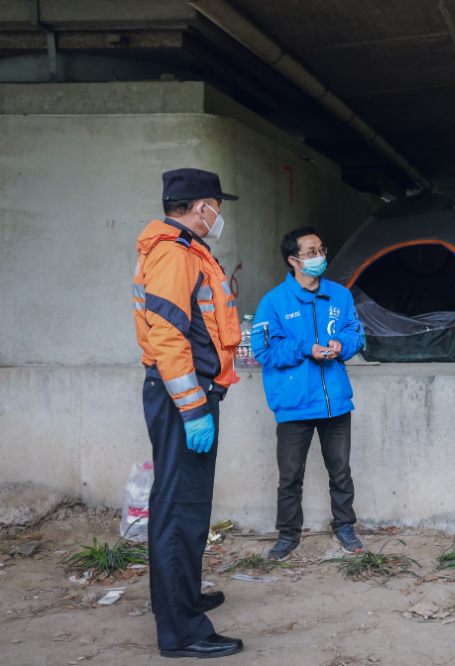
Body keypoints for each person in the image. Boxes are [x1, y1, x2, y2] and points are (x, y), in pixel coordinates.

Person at [132, 168, 245, 658]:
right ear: (202, 207)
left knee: (188, 506)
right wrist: (194, 407)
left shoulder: (187, 251)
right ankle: (182, 631)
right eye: (217, 205)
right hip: (185, 398)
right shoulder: (174, 255)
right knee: (180, 511)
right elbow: (167, 336)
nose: (219, 214)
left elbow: (198, 326)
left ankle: (184, 597)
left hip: (191, 393)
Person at [251, 227, 365, 562]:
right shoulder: (273, 302)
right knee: (290, 477)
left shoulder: (340, 296)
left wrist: (342, 345)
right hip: (294, 404)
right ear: (293, 260)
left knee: (340, 471)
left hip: (334, 402)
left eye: (321, 250)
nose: (319, 257)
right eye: (311, 252)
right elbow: (264, 349)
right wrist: (306, 348)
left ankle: (344, 526)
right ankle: (288, 535)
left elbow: (355, 333)